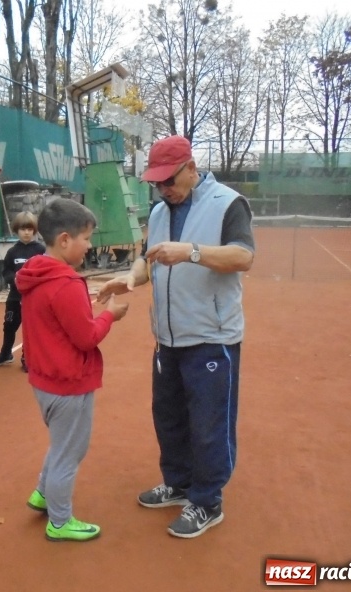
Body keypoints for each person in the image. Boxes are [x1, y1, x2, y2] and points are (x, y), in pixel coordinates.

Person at [97, 135, 255, 539]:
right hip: (167, 336)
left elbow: (244, 257)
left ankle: (207, 500)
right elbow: (147, 258)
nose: (163, 189)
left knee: (208, 422)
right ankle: (179, 482)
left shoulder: (227, 203)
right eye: (156, 183)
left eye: (168, 180)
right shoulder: (159, 211)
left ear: (190, 167)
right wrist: (129, 279)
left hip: (211, 335)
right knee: (168, 417)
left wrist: (191, 252)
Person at [17, 199, 128, 542]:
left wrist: (84, 305)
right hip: (68, 384)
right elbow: (87, 337)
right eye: (86, 238)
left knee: (61, 443)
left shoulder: (37, 273)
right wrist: (111, 314)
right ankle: (60, 521)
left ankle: (42, 492)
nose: (90, 245)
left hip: (45, 380)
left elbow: (60, 319)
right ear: (65, 240)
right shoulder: (66, 284)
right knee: (71, 451)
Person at [0, 212, 45, 371]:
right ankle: (6, 353)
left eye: (29, 229)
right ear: (16, 230)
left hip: (33, 299)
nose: (26, 232)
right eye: (22, 229)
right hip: (14, 298)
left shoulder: (41, 250)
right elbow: (6, 271)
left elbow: (46, 270)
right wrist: (14, 279)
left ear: (34, 230)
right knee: (9, 326)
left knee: (31, 328)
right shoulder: (12, 252)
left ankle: (27, 357)